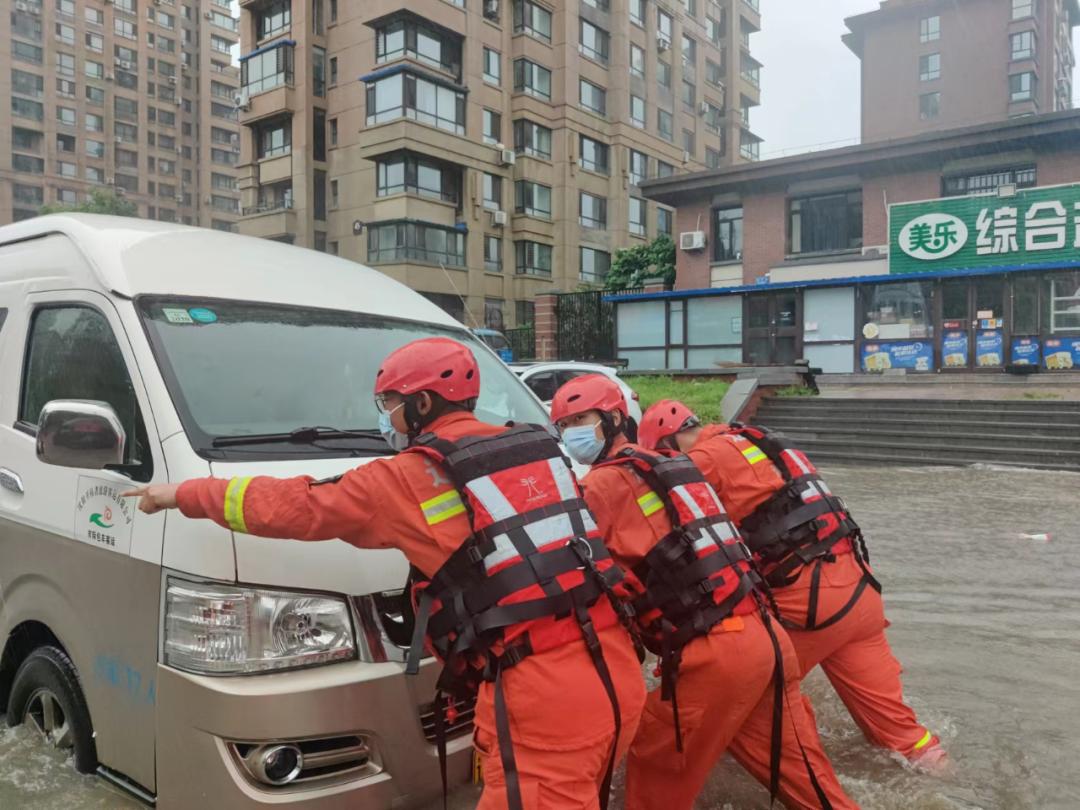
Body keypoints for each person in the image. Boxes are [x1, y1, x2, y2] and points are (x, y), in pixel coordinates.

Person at [125, 338, 647, 810]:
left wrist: (183, 494)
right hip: (615, 667)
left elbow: (295, 505)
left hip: (544, 694)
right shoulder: (538, 448)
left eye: (390, 405)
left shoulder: (408, 476)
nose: (386, 418)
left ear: (421, 405)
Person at [551, 374, 858, 810]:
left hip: (716, 655)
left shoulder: (601, 485)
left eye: (579, 419)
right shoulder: (677, 466)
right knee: (813, 789)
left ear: (614, 417)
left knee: (654, 765)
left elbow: (573, 568)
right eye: (564, 425)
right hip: (768, 640)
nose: (572, 433)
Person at [638, 400, 947, 772]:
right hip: (859, 592)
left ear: (668, 447)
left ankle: (807, 773)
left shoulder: (703, 460)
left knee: (743, 697)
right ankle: (945, 778)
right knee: (904, 735)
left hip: (809, 605)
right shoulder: (757, 441)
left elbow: (659, 524)